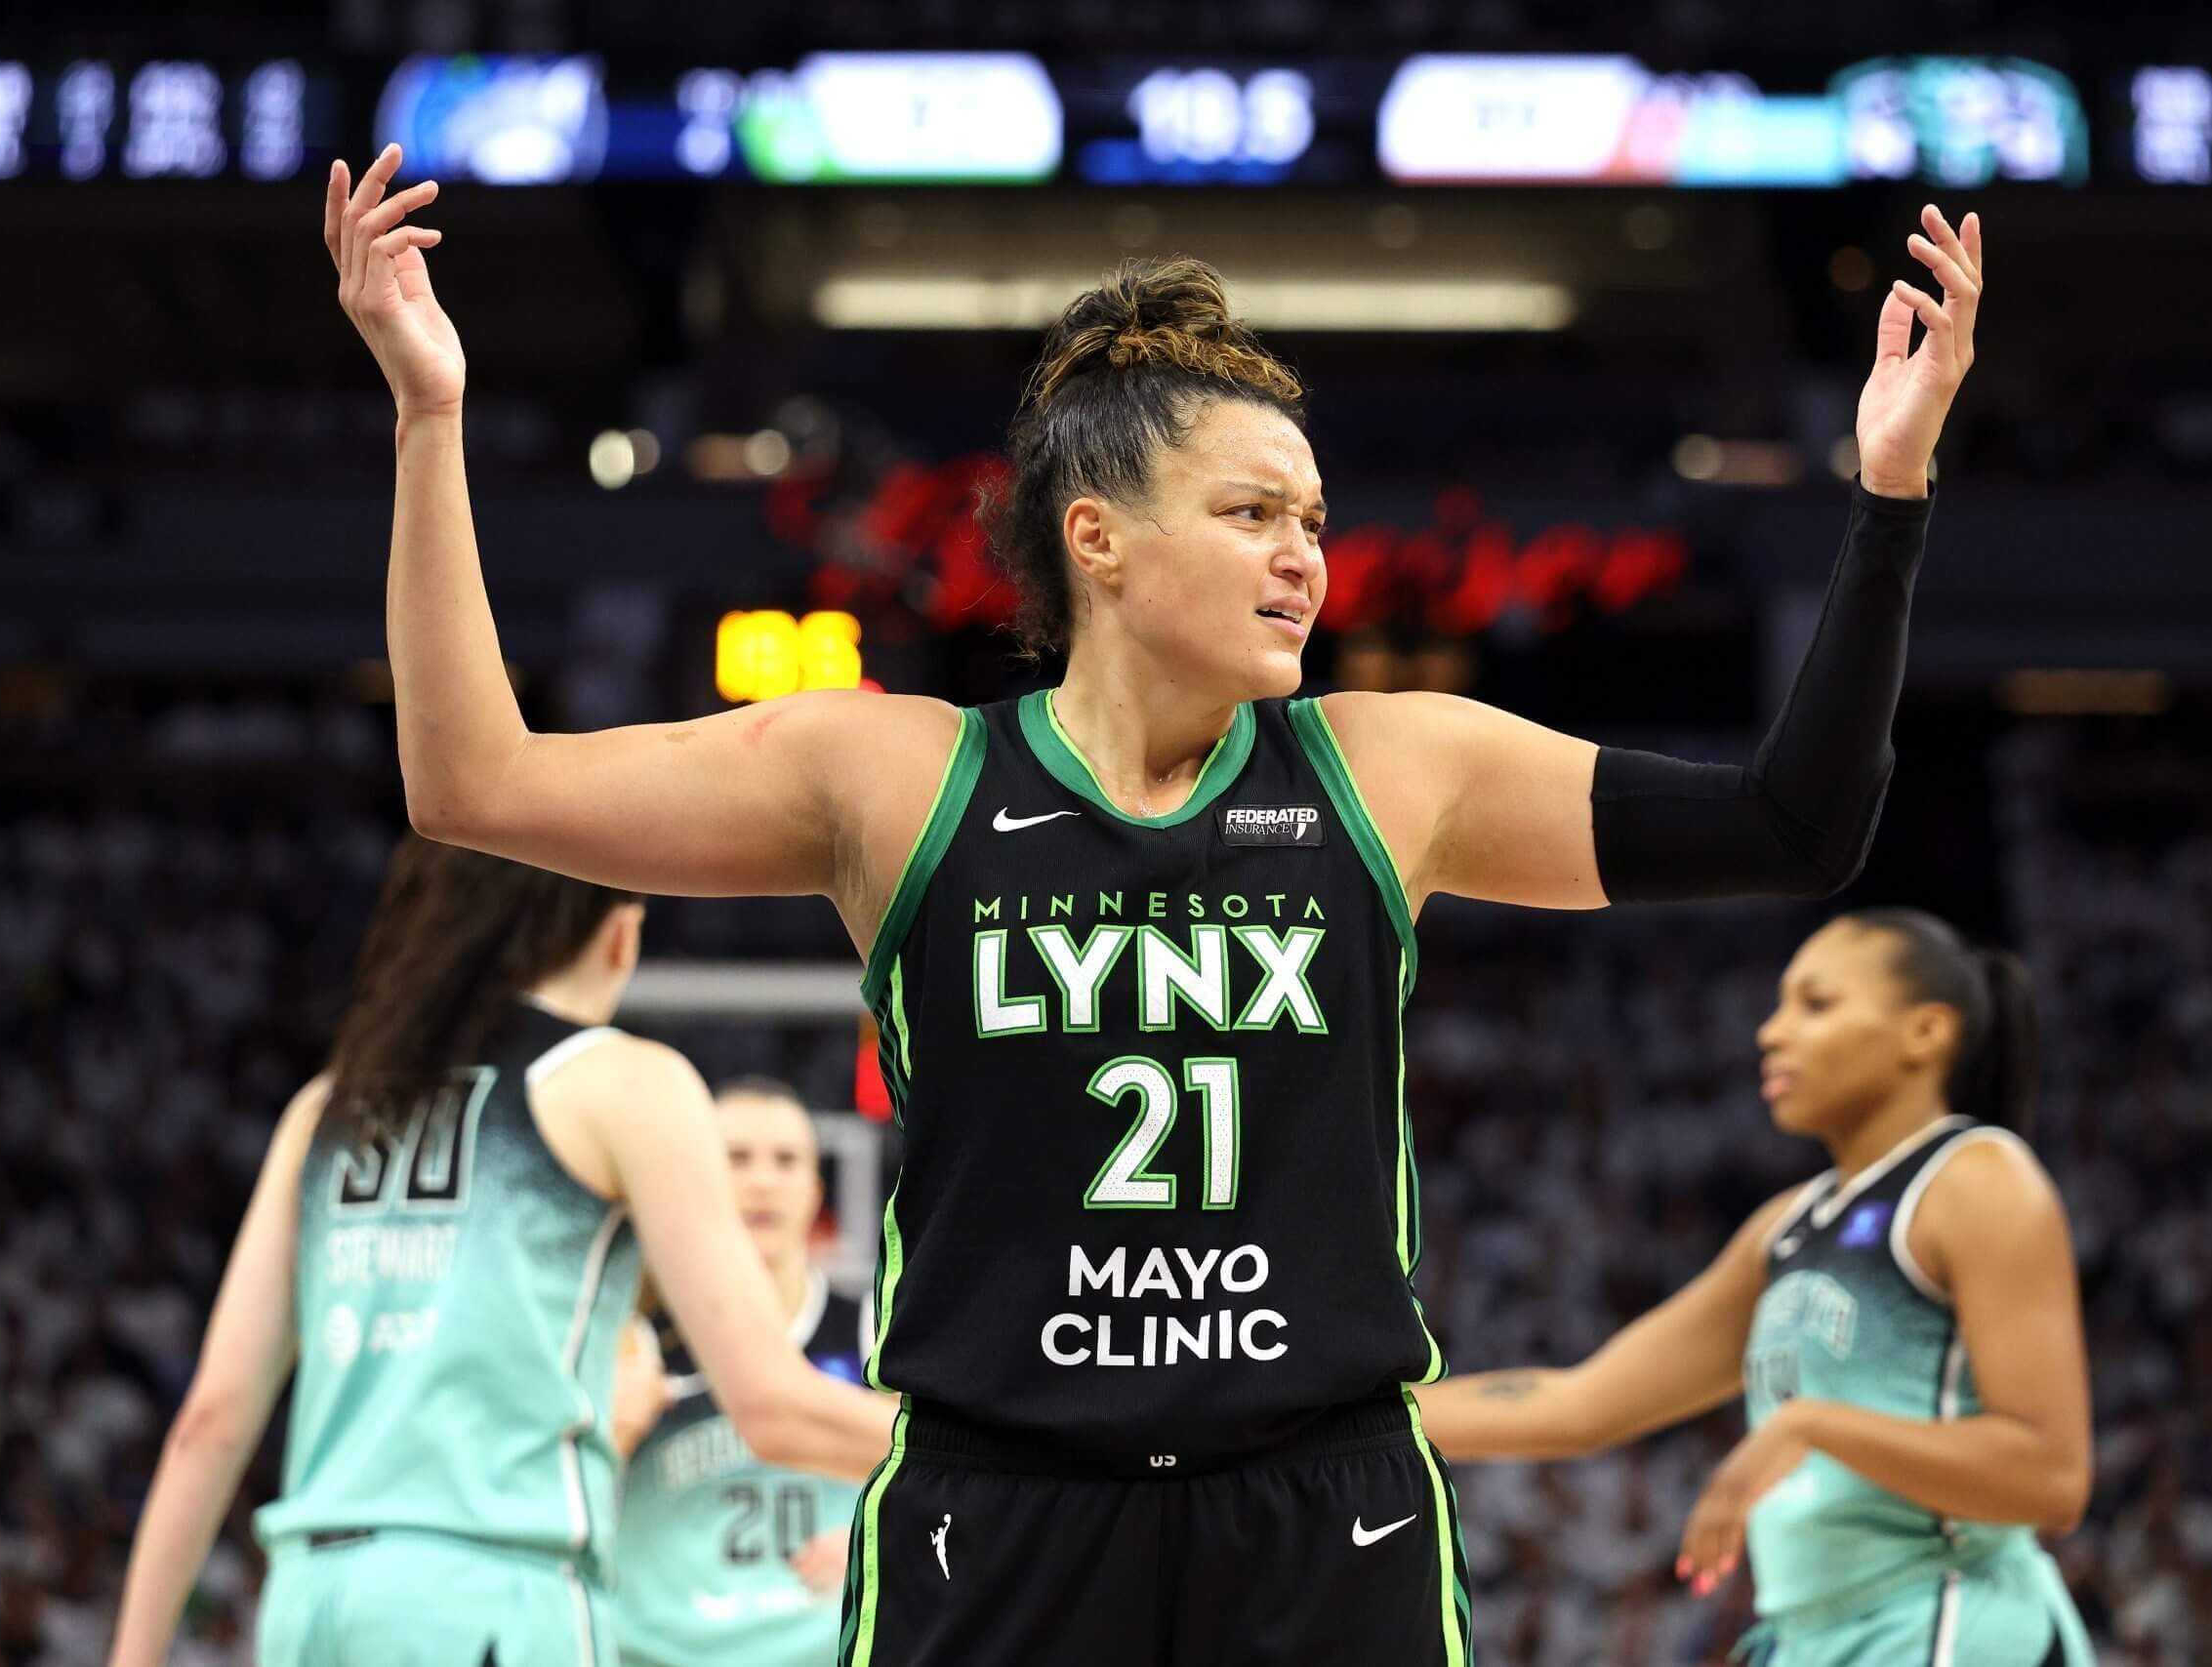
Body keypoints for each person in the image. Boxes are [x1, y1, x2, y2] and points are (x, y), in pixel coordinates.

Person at [324, 141, 1983, 1666]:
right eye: (1254, 513)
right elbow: (476, 783)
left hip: (1323, 1501)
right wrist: (426, 415)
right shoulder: (897, 777)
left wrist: (1888, 495)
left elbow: (1796, 817)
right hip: (1004, 1504)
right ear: (1099, 539)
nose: (1305, 558)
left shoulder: (1395, 770)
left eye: (1315, 520)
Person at [107, 837, 893, 1667]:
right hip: (497, 1592)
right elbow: (771, 1405)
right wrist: (993, 1454)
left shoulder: (327, 1105)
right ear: (620, 933)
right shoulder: (622, 1083)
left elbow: (212, 1419)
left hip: (312, 1601)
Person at [1415, 910, 2095, 1666]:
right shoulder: (1787, 1227)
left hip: (1947, 1616)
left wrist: (1810, 1427)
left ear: (1924, 1034)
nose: (1772, 1032)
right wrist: (1342, 1421)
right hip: (1814, 1636)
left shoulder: (1975, 1179)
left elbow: (2051, 1476)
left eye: (1817, 1004)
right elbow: (1579, 1404)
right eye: (1778, 1006)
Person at [610, 1077, 870, 1667]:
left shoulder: (877, 1335)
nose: (763, 1180)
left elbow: (953, 1488)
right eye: (737, 1158)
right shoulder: (634, 1340)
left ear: (813, 1190)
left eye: (785, 1161)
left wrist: (886, 1535)